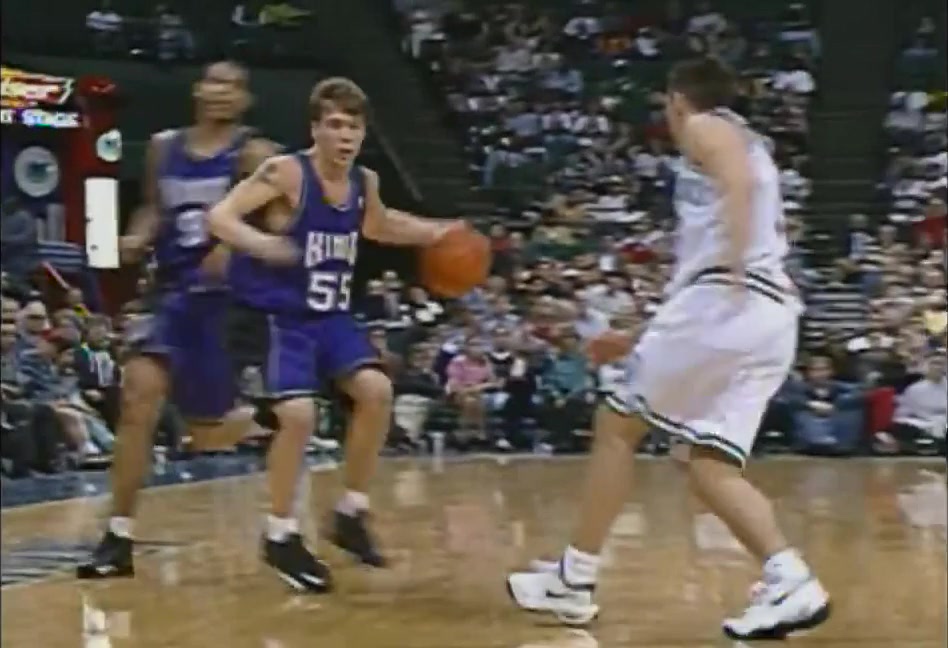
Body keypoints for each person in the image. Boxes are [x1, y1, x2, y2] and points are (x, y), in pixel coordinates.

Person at [505, 57, 831, 641]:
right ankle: (791, 580)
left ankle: (573, 579)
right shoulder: (748, 142)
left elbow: (737, 186)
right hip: (770, 319)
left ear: (677, 101)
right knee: (707, 464)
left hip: (730, 301)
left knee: (616, 426)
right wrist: (646, 332)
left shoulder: (708, 125)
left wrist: (733, 270)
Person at [206, 77, 461, 592]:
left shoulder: (364, 182)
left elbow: (381, 226)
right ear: (316, 129)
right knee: (299, 416)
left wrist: (437, 231)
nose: (345, 136)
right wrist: (263, 244)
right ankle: (280, 534)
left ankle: (350, 511)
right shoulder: (286, 172)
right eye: (336, 125)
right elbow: (220, 217)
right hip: (282, 317)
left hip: (332, 316)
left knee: (377, 392)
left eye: (354, 127)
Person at [77, 61, 277, 579]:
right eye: (214, 81)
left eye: (233, 85)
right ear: (197, 89)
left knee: (207, 435)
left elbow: (278, 224)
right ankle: (117, 535)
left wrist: (232, 249)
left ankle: (267, 420)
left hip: (225, 302)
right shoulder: (163, 147)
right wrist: (136, 236)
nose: (221, 91)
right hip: (169, 293)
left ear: (246, 100)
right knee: (137, 399)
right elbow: (153, 208)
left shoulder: (256, 154)